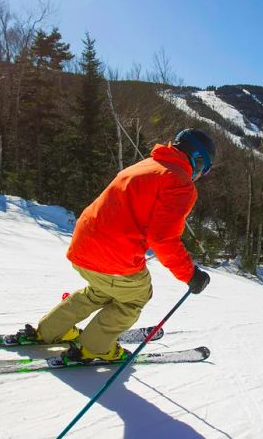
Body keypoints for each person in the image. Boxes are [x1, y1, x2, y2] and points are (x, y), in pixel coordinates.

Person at [23, 128, 215, 362]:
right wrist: (190, 275)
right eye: (203, 171)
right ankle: (94, 347)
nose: (198, 177)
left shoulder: (144, 165)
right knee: (135, 296)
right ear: (198, 160)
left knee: (99, 292)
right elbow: (162, 239)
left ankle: (49, 330)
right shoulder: (179, 182)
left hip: (83, 246)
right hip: (114, 257)